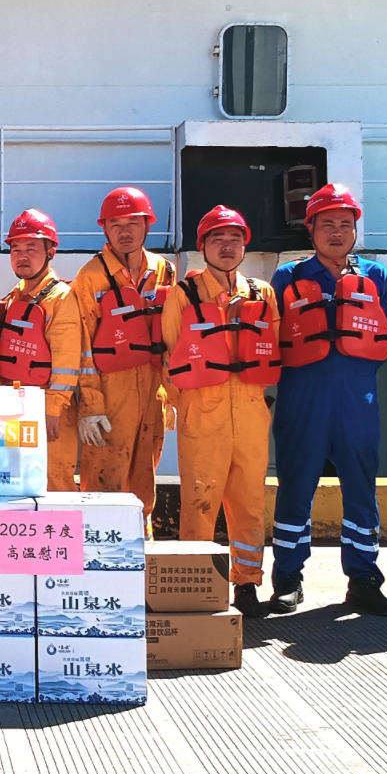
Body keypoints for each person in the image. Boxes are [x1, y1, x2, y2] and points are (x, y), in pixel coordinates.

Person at [269, 184, 387, 616]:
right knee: (294, 489)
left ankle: (363, 580)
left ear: (356, 230)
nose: (337, 232)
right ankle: (288, 579)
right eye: (327, 223)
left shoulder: (376, 276)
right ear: (311, 229)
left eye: (346, 223)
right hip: (301, 401)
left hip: (356, 401)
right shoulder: (288, 277)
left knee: (361, 490)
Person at [162, 205, 279, 618]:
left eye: (235, 239)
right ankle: (198, 585)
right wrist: (184, 408)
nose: (227, 247)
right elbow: (170, 355)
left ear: (245, 246)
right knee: (200, 503)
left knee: (249, 503)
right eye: (217, 239)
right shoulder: (184, 294)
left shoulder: (262, 294)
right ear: (203, 246)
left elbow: (272, 347)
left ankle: (246, 583)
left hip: (250, 413)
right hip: (202, 412)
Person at [72, 186, 175, 526]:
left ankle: (141, 544)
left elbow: (172, 337)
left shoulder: (164, 270)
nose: (124, 231)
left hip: (153, 394)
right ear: (104, 228)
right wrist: (91, 407)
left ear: (147, 224)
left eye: (133, 222)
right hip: (110, 396)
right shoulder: (90, 278)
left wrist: (173, 394)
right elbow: (83, 347)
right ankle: (100, 547)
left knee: (145, 479)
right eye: (115, 224)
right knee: (104, 480)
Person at [0, 208, 83, 492]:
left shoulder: (61, 298)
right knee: (16, 481)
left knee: (54, 482)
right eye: (16, 249)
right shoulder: (15, 295)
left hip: (47, 407)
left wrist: (53, 409)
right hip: (14, 405)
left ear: (50, 252)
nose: (22, 256)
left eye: (31, 248)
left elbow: (67, 360)